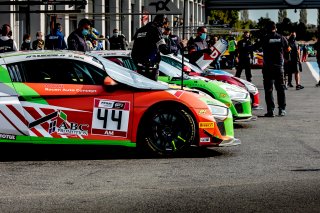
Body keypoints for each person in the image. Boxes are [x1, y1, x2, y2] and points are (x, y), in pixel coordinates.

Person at [131, 14, 171, 81]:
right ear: (161, 23)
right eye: (164, 26)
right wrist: (173, 46)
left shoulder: (140, 30)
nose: (164, 29)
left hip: (139, 66)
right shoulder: (155, 30)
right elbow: (164, 50)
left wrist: (138, 64)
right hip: (151, 67)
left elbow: (133, 51)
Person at [262, 21, 289, 117]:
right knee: (280, 88)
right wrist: (285, 59)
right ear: (275, 28)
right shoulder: (281, 37)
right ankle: (281, 109)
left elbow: (254, 47)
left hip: (267, 67)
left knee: (269, 89)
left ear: (267, 29)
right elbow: (288, 49)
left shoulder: (265, 38)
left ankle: (270, 110)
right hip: (279, 67)